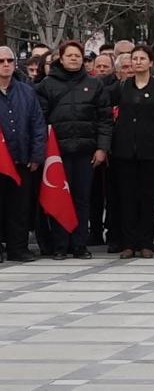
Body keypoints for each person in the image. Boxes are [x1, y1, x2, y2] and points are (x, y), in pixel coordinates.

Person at [34, 41, 112, 260]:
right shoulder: (47, 85)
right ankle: (60, 245)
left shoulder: (95, 84)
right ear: (61, 57)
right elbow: (40, 119)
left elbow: (105, 120)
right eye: (69, 55)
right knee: (59, 197)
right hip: (57, 153)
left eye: (78, 56)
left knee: (82, 198)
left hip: (85, 152)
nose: (74, 59)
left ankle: (79, 244)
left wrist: (102, 148)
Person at [110, 45, 154, 259]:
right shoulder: (122, 87)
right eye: (134, 58)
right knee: (127, 197)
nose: (137, 62)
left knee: (147, 198)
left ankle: (146, 242)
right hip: (125, 151)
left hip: (151, 151)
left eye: (142, 58)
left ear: (151, 62)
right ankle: (129, 243)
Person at [0, 46, 46, 263]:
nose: (6, 64)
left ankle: (18, 248)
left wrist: (37, 155)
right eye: (1, 61)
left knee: (19, 208)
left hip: (22, 159)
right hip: (1, 161)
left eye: (10, 60)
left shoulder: (26, 91)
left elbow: (37, 124)